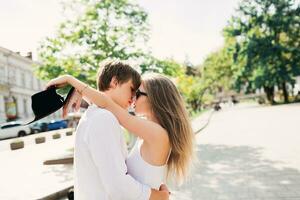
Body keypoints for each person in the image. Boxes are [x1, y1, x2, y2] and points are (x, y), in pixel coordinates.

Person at [46, 61, 195, 196]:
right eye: (132, 91)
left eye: (137, 93)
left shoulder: (156, 133)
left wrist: (72, 81)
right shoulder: (149, 130)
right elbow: (107, 104)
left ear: (155, 98)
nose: (133, 98)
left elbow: (108, 104)